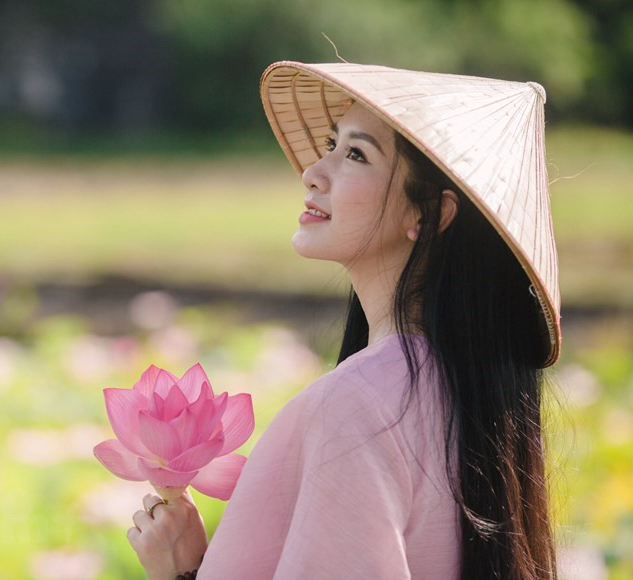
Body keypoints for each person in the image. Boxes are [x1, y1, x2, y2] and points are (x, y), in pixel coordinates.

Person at [126, 61, 562, 579]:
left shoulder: (355, 406)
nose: (314, 171)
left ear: (427, 216)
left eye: (356, 153)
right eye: (332, 143)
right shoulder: (472, 401)